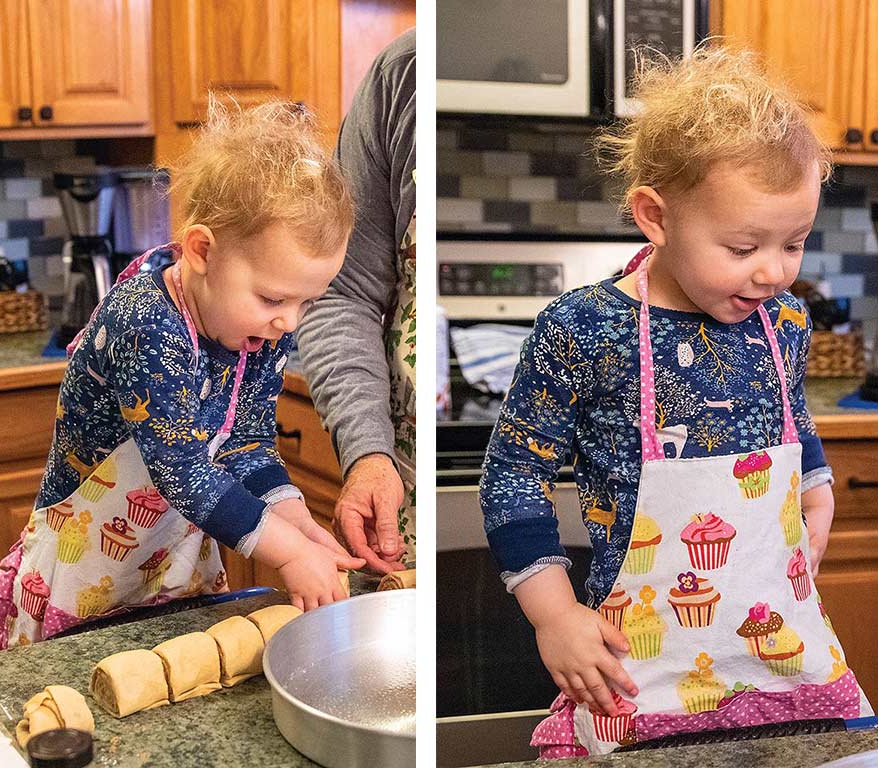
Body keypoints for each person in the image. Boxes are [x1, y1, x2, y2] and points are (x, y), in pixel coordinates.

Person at [479, 46, 871, 757]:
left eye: (795, 242)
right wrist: (553, 615)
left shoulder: (783, 320)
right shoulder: (585, 329)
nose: (773, 271)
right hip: (638, 667)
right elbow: (512, 474)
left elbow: (792, 416)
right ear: (655, 216)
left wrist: (817, 489)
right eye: (744, 244)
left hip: (782, 660)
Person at [0, 101, 365, 652]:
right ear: (202, 250)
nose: (289, 322)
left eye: (308, 301)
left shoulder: (254, 328)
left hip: (171, 567)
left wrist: (297, 520)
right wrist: (288, 553)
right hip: (78, 568)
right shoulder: (147, 321)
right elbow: (181, 470)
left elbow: (247, 446)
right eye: (275, 298)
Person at [297, 28, 415, 574]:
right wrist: (369, 454)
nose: (283, 323)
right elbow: (341, 293)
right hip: (397, 474)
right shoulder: (404, 74)